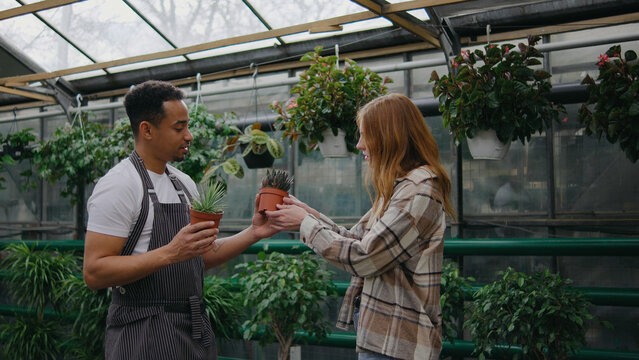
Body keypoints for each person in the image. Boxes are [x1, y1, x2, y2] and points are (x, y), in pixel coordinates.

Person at [83, 80, 276, 360]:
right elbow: (94, 272)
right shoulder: (120, 185)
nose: (189, 136)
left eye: (187, 126)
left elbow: (201, 255)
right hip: (142, 332)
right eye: (179, 127)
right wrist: (171, 253)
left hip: (193, 327)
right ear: (146, 130)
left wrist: (255, 232)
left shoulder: (183, 183)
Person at [267, 93, 455, 360]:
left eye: (366, 135)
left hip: (399, 342)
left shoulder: (418, 191)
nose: (359, 144)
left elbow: (365, 257)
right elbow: (356, 238)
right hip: (385, 337)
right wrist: (307, 213)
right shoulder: (399, 187)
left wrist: (304, 223)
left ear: (389, 137)